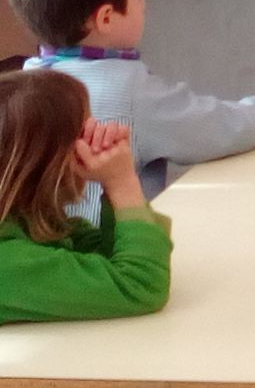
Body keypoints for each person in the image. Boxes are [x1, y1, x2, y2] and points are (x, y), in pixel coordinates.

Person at [7, 0, 255, 212]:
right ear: (106, 18)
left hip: (49, 239)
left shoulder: (27, 85)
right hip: (120, 239)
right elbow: (215, 130)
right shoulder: (128, 90)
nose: (145, 5)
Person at [0, 69, 172, 324]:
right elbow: (140, 284)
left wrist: (116, 191)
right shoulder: (9, 265)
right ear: (50, 163)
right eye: (85, 134)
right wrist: (122, 184)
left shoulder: (33, 220)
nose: (96, 141)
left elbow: (108, 258)